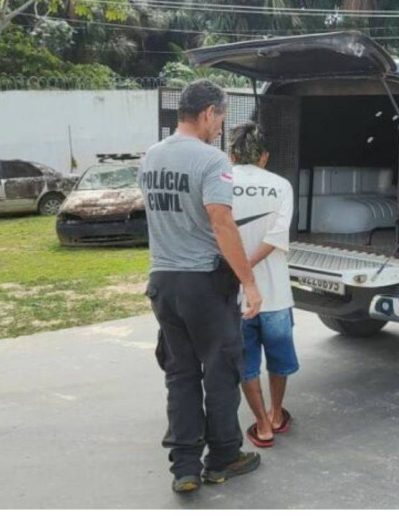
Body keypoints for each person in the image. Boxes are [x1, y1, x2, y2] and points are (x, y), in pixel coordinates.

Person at [139, 79, 262, 494]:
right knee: (221, 371)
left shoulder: (150, 157)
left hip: (162, 283)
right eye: (221, 117)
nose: (220, 126)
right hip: (205, 284)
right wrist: (249, 282)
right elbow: (221, 221)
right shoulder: (211, 160)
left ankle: (186, 467)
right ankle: (225, 455)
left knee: (181, 374)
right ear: (209, 112)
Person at [228, 122, 298, 448]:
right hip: (276, 294)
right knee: (279, 358)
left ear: (232, 154)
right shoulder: (281, 186)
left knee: (247, 362)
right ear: (265, 157)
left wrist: (241, 270)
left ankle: (261, 425)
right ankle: (277, 414)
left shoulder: (220, 184)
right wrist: (253, 265)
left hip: (236, 297)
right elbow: (276, 236)